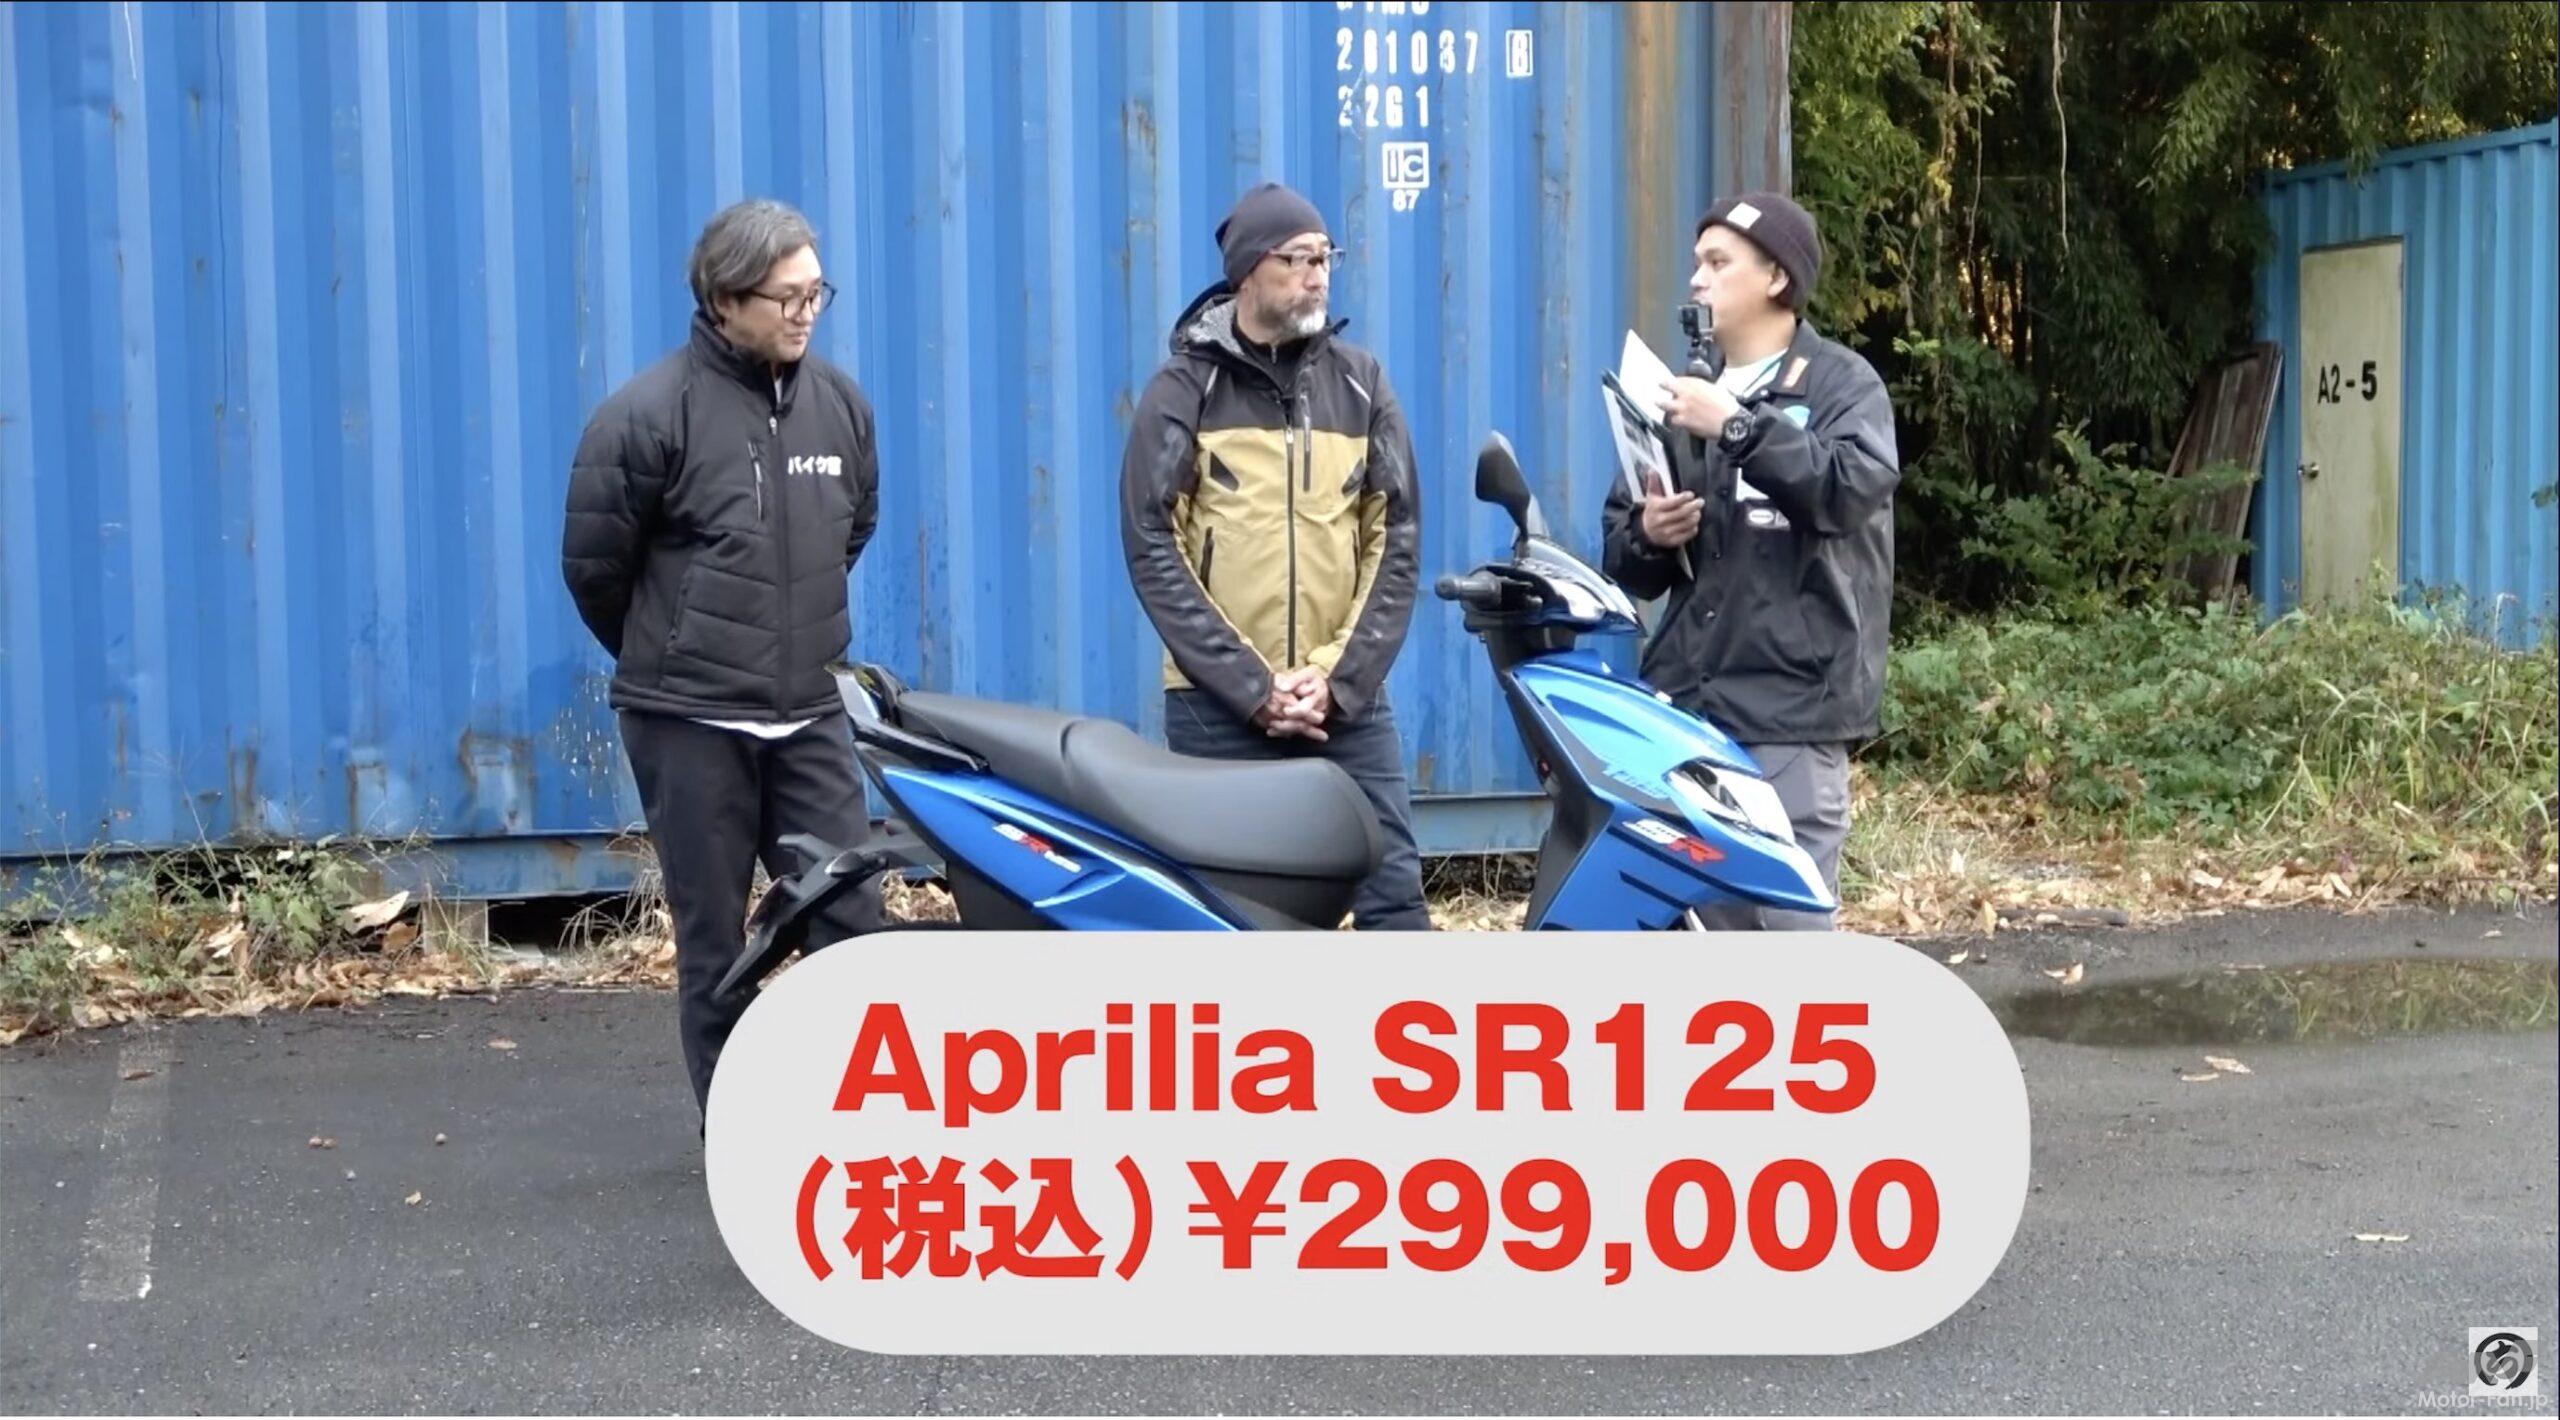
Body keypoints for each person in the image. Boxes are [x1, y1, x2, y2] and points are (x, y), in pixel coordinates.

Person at [561, 198, 887, 1122]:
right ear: (724, 300)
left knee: (851, 926)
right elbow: (595, 569)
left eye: (816, 292)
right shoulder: (646, 416)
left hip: (810, 716)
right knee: (717, 945)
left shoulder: (840, 408)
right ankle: (741, 1132)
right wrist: (683, 649)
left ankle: (849, 1126)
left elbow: (850, 531)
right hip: (690, 724)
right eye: (787, 297)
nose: (806, 312)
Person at [1118, 181, 1429, 930]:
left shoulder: (1362, 385)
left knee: (1394, 903)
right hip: (1217, 710)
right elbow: (1152, 544)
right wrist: (1252, 686)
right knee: (1233, 921)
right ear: (1248, 271)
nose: (1319, 275)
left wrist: (1335, 681)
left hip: (1344, 707)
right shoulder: (1182, 390)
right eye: (1299, 259)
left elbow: (1395, 539)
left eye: (1326, 258)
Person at [1600, 191, 1900, 929]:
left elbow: (1847, 491)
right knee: (1700, 937)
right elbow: (1625, 559)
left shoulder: (1840, 385)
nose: (1696, 279)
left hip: (1788, 716)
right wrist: (1649, 532)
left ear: (1776, 277)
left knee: (1785, 947)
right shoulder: (1681, 394)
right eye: (1696, 263)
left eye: (1717, 262)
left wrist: (1735, 426)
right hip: (1686, 710)